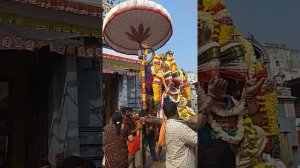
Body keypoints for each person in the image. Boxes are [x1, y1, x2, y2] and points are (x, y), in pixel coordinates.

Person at [164, 102, 197, 168]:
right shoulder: (180, 127)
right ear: (177, 112)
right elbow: (196, 140)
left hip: (171, 164)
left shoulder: (166, 124)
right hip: (181, 165)